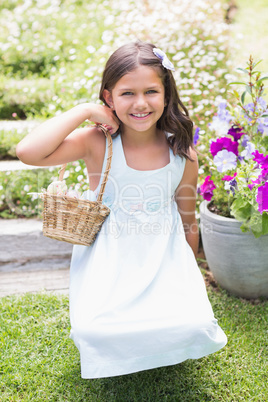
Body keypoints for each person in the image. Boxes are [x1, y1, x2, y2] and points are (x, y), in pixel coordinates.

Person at [16, 41, 227, 379]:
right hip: (110, 263)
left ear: (166, 94)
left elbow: (188, 222)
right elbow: (28, 151)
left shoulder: (182, 152)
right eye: (127, 93)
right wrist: (86, 110)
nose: (141, 103)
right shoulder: (98, 143)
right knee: (93, 332)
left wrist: (190, 282)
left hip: (163, 260)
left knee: (195, 323)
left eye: (151, 92)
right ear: (109, 97)